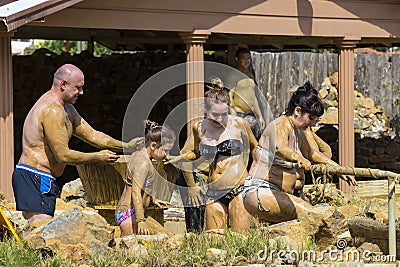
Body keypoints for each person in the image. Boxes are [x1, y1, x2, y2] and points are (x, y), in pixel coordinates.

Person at [12, 63, 142, 224]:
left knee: (43, 232)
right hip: (35, 176)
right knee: (40, 230)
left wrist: (126, 146)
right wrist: (97, 157)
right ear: (63, 84)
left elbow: (93, 135)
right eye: (78, 88)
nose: (81, 92)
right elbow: (63, 155)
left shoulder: (68, 109)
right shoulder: (52, 110)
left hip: (44, 177)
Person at [242, 81, 356, 223]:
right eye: (311, 119)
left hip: (283, 194)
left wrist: (338, 169)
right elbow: (280, 147)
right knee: (313, 217)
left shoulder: (299, 132)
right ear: (297, 111)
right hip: (261, 191)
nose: (313, 124)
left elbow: (313, 154)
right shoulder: (280, 125)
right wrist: (298, 158)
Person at [175, 78, 258, 232]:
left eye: (224, 114)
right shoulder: (199, 127)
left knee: (240, 239)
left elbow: (256, 149)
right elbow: (188, 156)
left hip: (238, 188)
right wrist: (192, 186)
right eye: (215, 115)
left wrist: (255, 175)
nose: (220, 119)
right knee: (214, 238)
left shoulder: (240, 124)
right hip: (214, 192)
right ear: (206, 110)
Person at [116, 120, 176, 236]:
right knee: (167, 240)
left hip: (132, 213)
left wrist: (154, 199)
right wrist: (141, 221)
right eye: (166, 150)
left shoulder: (141, 155)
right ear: (153, 146)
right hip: (130, 215)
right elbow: (135, 191)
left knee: (167, 237)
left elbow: (145, 183)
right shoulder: (142, 163)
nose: (167, 155)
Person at [228, 47, 265, 140]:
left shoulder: (250, 75)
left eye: (248, 59)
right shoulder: (233, 75)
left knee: (255, 141)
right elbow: (229, 95)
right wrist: (233, 113)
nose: (246, 61)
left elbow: (254, 98)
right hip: (239, 113)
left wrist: (260, 116)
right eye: (243, 59)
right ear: (237, 59)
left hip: (251, 115)